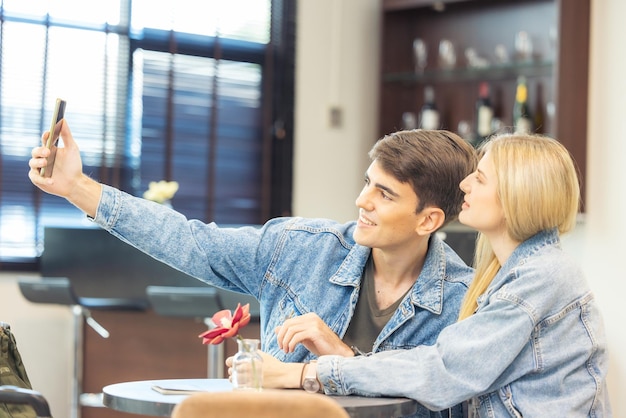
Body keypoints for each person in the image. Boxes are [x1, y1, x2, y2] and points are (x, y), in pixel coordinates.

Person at [29, 123, 476, 417]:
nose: (362, 202)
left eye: (385, 194)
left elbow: (441, 405)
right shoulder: (300, 248)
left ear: (429, 219)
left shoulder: (464, 300)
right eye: (366, 184)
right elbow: (190, 241)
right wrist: (76, 188)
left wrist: (340, 357)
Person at [259, 133, 612, 417]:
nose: (464, 186)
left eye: (480, 178)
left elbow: (443, 369)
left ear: (517, 197)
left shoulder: (541, 278)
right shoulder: (511, 274)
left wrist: (307, 374)